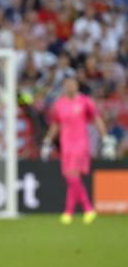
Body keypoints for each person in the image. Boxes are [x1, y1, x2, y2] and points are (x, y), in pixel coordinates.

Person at [41, 75, 116, 225]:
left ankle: (86, 208)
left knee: (72, 175)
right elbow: (56, 124)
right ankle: (70, 212)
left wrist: (105, 138)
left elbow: (96, 119)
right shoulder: (59, 104)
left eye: (72, 84)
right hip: (66, 145)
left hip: (81, 143)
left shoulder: (85, 101)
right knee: (72, 179)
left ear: (77, 85)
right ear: (64, 86)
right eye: (67, 84)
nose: (70, 87)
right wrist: (47, 141)